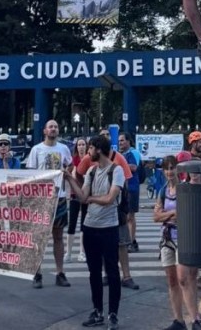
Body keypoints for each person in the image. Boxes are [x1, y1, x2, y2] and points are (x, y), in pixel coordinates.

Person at [63, 135, 125, 330]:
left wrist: (91, 199)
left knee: (113, 272)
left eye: (90, 148)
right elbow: (82, 196)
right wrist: (69, 179)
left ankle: (113, 314)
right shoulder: (90, 171)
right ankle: (97, 310)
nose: (88, 152)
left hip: (108, 227)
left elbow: (109, 199)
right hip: (90, 226)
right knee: (94, 272)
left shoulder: (116, 171)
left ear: (98, 149)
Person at [77, 129, 140, 290]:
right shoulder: (89, 161)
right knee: (103, 244)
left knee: (122, 243)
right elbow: (79, 172)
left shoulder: (118, 160)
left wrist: (122, 204)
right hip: (95, 209)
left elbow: (125, 182)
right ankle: (107, 274)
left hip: (115, 209)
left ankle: (126, 276)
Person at [155, 154, 201, 330]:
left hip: (183, 237)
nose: (170, 172)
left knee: (184, 278)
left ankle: (194, 319)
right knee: (172, 280)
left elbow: (185, 213)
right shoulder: (163, 190)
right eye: (167, 168)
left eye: (172, 168)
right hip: (167, 237)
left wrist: (166, 215)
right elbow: (156, 216)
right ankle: (178, 320)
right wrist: (171, 215)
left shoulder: (184, 188)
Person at [26, 119, 73, 289]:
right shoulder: (36, 150)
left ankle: (60, 273)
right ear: (44, 131)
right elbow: (30, 175)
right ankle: (37, 273)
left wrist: (67, 174)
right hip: (41, 199)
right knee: (39, 237)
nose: (53, 129)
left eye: (56, 126)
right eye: (50, 127)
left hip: (58, 197)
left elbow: (70, 165)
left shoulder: (63, 149)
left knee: (58, 236)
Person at [66, 137, 89, 263]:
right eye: (79, 145)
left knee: (84, 225)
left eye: (83, 144)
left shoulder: (89, 160)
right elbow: (69, 175)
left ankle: (82, 252)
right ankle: (68, 252)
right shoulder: (73, 160)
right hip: (74, 195)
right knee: (72, 223)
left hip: (86, 195)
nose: (81, 147)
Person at [119, 132, 142, 252]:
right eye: (119, 141)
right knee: (126, 216)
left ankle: (132, 242)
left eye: (122, 140)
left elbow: (134, 167)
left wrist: (120, 165)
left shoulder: (133, 152)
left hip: (132, 187)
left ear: (128, 141)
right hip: (125, 187)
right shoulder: (123, 154)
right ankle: (130, 240)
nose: (120, 143)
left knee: (130, 216)